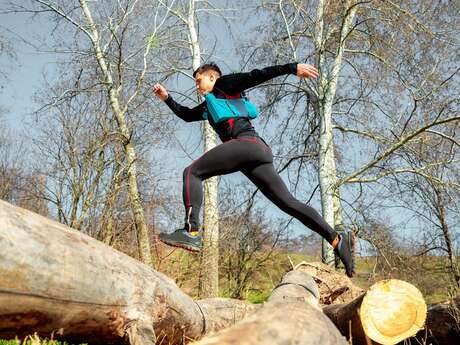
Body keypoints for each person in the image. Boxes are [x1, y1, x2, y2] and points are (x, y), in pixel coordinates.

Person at [152, 62, 355, 277]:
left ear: (212, 77)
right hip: (257, 154)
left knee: (192, 172)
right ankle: (337, 240)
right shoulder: (208, 107)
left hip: (247, 145)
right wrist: (167, 98)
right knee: (288, 203)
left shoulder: (224, 85)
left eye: (198, 80)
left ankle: (191, 231)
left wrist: (291, 68)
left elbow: (256, 74)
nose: (196, 85)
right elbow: (186, 115)